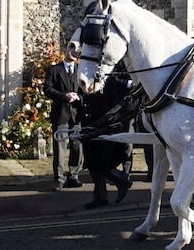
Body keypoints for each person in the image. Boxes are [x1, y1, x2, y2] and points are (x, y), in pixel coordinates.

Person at [80, 62, 133, 209]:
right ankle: (102, 195)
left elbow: (122, 81)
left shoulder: (121, 61)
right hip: (91, 112)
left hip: (111, 114)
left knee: (104, 159)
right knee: (91, 159)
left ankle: (120, 180)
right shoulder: (90, 61)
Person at [44, 41, 84, 191]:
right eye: (71, 47)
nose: (73, 51)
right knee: (60, 149)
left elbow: (88, 89)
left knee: (76, 147)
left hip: (76, 115)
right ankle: (59, 179)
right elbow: (47, 89)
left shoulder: (81, 70)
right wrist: (64, 96)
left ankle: (74, 176)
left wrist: (79, 97)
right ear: (65, 50)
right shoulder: (54, 70)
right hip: (61, 114)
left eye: (76, 49)